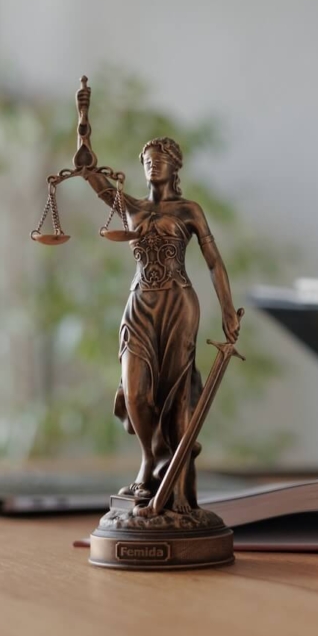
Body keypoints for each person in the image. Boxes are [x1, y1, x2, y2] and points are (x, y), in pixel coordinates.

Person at [85, 137, 241, 514]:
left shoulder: (189, 210)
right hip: (139, 304)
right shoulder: (131, 206)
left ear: (175, 166)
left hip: (178, 304)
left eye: (160, 160)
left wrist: (227, 308)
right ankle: (148, 458)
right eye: (147, 161)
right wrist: (84, 146)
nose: (152, 166)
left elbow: (213, 260)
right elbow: (96, 180)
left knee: (176, 395)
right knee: (135, 392)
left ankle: (175, 482)